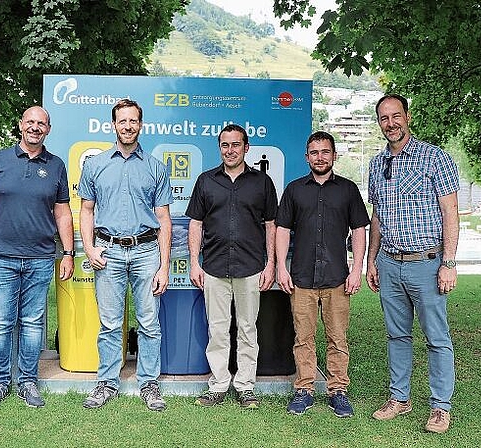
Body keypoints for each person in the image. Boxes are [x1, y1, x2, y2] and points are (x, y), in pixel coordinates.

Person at [0, 106, 74, 410]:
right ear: (20, 125)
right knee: (0, 322)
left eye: (41, 124)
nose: (35, 127)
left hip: (40, 258)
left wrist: (68, 253)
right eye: (30, 122)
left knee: (32, 323)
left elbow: (62, 211)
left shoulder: (55, 165)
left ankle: (28, 382)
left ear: (48, 130)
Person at [366, 94, 459, 433]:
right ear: (379, 123)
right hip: (390, 263)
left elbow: (451, 212)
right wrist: (371, 261)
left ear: (407, 116)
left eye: (395, 116)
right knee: (396, 335)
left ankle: (440, 408)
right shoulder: (377, 164)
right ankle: (399, 399)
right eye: (383, 118)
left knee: (437, 338)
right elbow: (377, 216)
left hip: (428, 263)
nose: (390, 123)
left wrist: (448, 262)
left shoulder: (434, 157)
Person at [78, 99, 172, 411]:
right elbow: (86, 210)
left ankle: (149, 383)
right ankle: (106, 383)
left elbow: (164, 220)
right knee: (109, 323)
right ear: (113, 125)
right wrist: (90, 247)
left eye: (133, 121)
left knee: (149, 322)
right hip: (108, 252)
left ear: (140, 125)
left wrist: (164, 267)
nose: (128, 126)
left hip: (147, 252)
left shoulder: (156, 168)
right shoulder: (95, 165)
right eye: (122, 121)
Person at [276, 131, 369, 417]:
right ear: (307, 157)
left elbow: (359, 230)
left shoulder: (349, 190)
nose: (320, 157)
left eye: (325, 152)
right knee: (303, 337)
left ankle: (338, 390)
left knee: (337, 337)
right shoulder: (294, 190)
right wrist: (281, 266)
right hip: (302, 277)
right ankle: (304, 389)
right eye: (314, 152)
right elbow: (282, 229)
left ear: (334, 155)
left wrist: (357, 269)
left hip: (337, 277)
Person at [186, 123, 278, 409]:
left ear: (246, 148)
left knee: (248, 329)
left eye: (235, 144)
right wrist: (194, 263)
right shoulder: (205, 181)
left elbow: (271, 225)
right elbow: (196, 223)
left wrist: (271, 263)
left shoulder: (262, 183)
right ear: (220, 148)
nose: (230, 150)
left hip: (251, 268)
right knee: (218, 329)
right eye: (225, 145)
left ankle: (245, 386)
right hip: (213, 267)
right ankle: (218, 385)